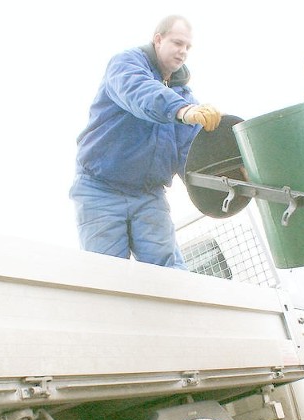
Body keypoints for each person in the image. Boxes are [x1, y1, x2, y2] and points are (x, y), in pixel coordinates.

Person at [70, 15, 221, 269]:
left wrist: (224, 182)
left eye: (188, 47)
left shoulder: (184, 96)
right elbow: (139, 92)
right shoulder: (126, 65)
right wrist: (181, 110)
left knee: (170, 274)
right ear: (158, 39)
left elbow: (190, 156)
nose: (183, 51)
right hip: (99, 190)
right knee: (109, 276)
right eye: (177, 43)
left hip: (149, 195)